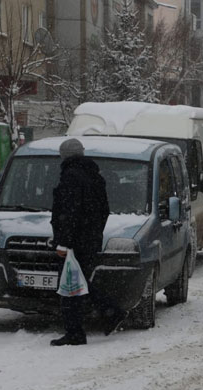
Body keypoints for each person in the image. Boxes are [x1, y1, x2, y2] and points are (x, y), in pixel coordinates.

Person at [50, 139, 124, 346]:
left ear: (64, 155)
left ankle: (77, 331)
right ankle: (109, 313)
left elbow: (69, 212)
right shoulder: (95, 176)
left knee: (69, 287)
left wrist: (65, 243)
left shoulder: (71, 177)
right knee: (79, 282)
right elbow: (103, 210)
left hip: (73, 243)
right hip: (89, 240)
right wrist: (93, 233)